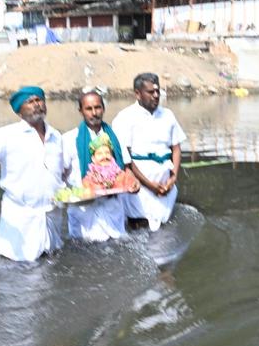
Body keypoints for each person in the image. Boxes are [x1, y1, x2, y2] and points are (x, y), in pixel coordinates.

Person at [0, 86, 65, 262]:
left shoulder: (56, 136)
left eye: (39, 100)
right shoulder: (6, 136)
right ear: (19, 111)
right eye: (30, 102)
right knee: (17, 272)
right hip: (21, 220)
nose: (36, 104)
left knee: (51, 265)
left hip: (50, 217)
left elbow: (60, 174)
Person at [112, 73, 185, 231]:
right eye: (150, 92)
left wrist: (173, 177)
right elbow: (126, 160)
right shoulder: (125, 118)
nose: (156, 96)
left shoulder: (168, 116)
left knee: (164, 228)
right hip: (140, 186)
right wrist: (150, 185)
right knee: (140, 228)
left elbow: (176, 148)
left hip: (166, 185)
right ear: (137, 94)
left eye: (158, 91)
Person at [61, 87, 130, 242]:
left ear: (103, 108)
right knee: (84, 253)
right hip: (84, 209)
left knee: (116, 249)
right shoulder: (69, 139)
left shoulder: (116, 136)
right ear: (81, 111)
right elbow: (61, 174)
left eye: (98, 107)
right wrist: (70, 194)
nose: (94, 113)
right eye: (89, 109)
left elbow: (126, 169)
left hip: (112, 207)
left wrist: (132, 183)